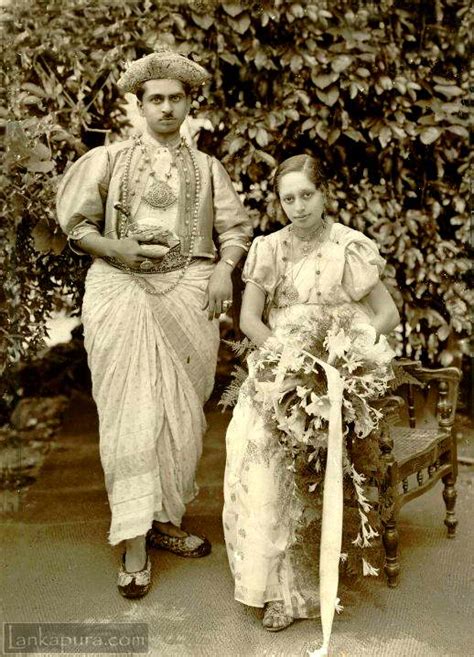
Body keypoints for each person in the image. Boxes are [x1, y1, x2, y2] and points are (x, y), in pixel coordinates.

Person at [56, 47, 252, 599]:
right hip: (119, 291)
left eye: (176, 98)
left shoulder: (209, 169)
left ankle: (165, 520)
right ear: (139, 106)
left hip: (190, 292)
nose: (166, 108)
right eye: (155, 99)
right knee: (129, 414)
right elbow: (75, 226)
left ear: (189, 104)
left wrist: (224, 272)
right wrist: (115, 247)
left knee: (182, 416)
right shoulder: (109, 160)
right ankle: (134, 540)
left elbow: (235, 230)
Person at [223, 154, 400, 633]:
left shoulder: (348, 247)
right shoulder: (269, 249)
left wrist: (346, 359)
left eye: (307, 195)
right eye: (288, 198)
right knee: (259, 451)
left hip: (336, 369)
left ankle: (316, 570)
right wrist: (289, 360)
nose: (298, 207)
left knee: (313, 456)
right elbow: (249, 321)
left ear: (325, 194)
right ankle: (275, 587)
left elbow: (386, 315)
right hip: (282, 366)